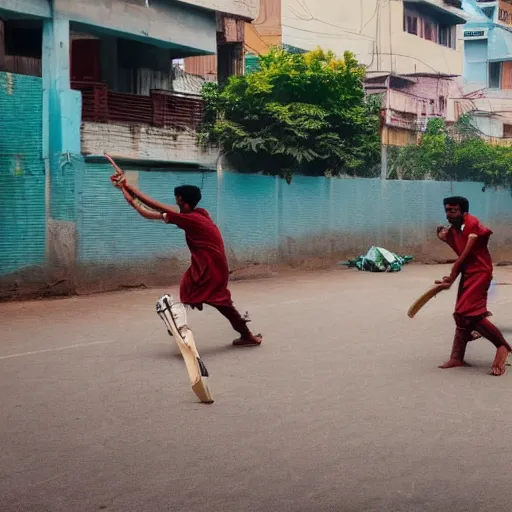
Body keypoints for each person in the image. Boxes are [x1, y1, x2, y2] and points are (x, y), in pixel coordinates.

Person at [110, 170, 262, 347]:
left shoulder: (191, 219)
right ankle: (247, 336)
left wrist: (127, 186)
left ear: (182, 199)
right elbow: (144, 210)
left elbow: (152, 206)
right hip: (215, 267)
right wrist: (124, 189)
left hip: (208, 268)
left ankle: (178, 324)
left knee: (189, 289)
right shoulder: (200, 214)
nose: (175, 200)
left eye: (177, 197)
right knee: (222, 303)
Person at [436, 196, 510, 376]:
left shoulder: (472, 225)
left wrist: (452, 277)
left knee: (470, 312)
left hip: (480, 272)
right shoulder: (455, 229)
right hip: (468, 272)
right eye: (447, 210)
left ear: (463, 211)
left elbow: (464, 256)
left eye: (453, 210)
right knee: (460, 314)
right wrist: (445, 239)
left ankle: (502, 346)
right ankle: (457, 357)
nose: (448, 214)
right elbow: (461, 252)